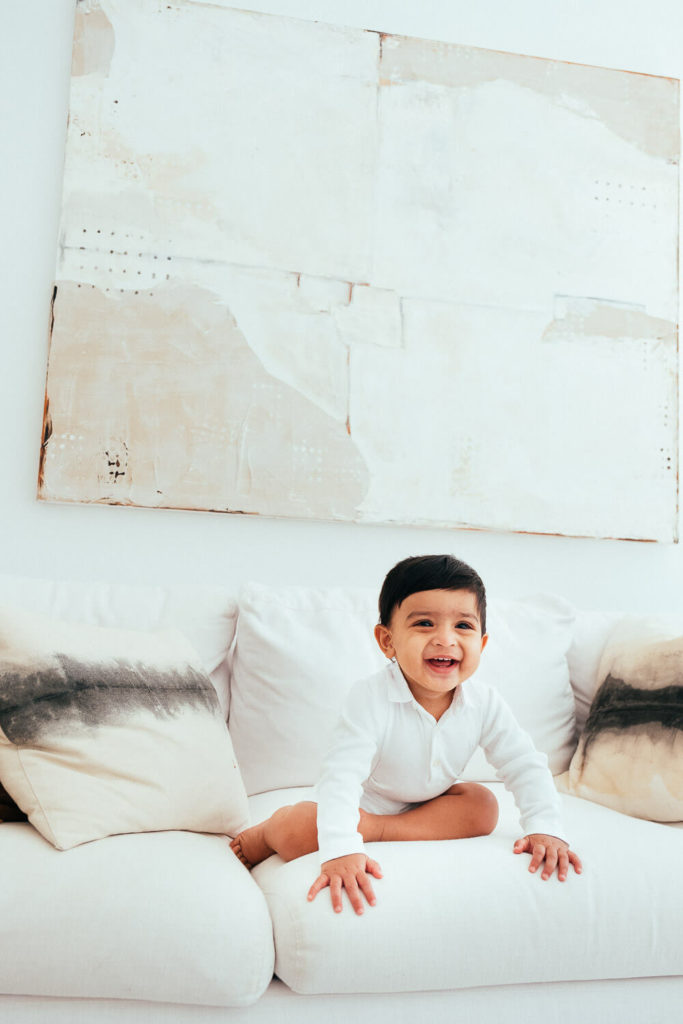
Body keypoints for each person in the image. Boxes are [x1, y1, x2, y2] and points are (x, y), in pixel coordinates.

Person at [231, 554, 582, 914]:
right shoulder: (370, 697)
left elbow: (524, 763)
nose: (445, 639)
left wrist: (545, 826)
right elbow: (342, 776)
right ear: (387, 641)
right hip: (361, 803)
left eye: (463, 625)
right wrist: (342, 849)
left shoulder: (485, 702)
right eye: (425, 623)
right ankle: (265, 832)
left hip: (426, 805)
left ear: (482, 642)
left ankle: (379, 830)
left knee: (483, 806)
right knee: (301, 829)